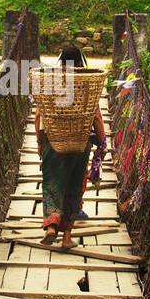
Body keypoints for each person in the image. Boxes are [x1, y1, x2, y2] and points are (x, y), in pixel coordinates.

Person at [36, 46, 106, 251]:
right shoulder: (87, 85)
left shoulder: (51, 84)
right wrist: (101, 143)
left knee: (52, 183)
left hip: (53, 143)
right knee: (75, 188)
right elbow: (97, 118)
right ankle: (67, 238)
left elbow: (39, 116)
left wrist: (40, 143)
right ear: (80, 63)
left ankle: (51, 225)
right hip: (80, 145)